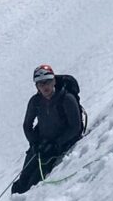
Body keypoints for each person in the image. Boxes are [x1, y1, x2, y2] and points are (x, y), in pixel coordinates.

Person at [12, 63, 84, 194]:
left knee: (35, 181)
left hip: (60, 145)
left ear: (54, 81)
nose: (45, 86)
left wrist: (57, 144)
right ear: (36, 86)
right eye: (40, 83)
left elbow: (75, 127)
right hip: (41, 145)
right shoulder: (35, 101)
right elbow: (27, 125)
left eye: (48, 82)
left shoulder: (66, 98)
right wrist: (34, 143)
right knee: (22, 181)